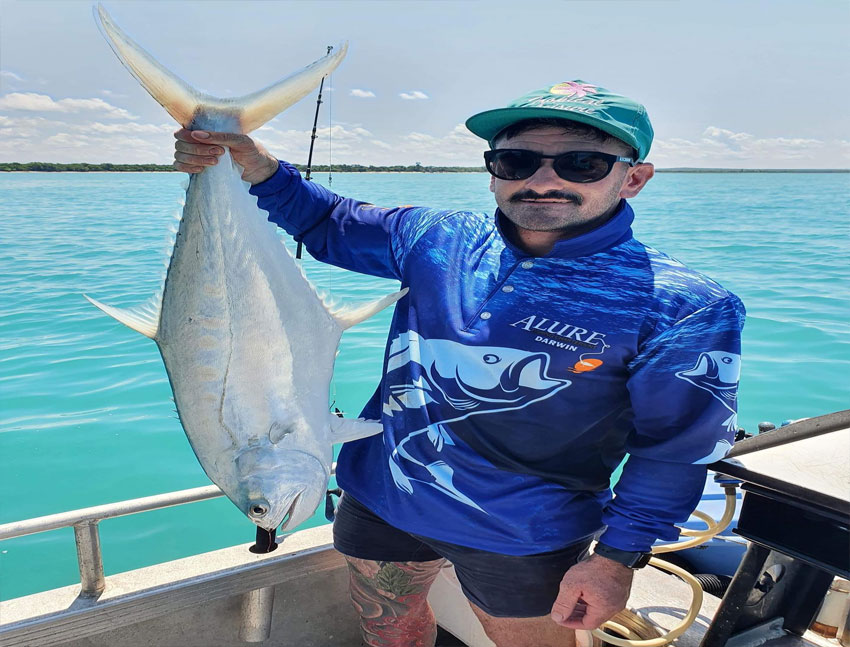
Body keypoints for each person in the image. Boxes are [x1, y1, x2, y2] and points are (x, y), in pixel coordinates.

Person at [173, 80, 745, 647]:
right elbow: (326, 223)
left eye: (582, 163)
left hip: (521, 534)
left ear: (635, 177)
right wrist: (246, 161)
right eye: (518, 160)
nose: (543, 181)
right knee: (388, 626)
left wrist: (618, 558)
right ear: (493, 170)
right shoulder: (437, 240)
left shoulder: (683, 306)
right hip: (382, 498)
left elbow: (675, 450)